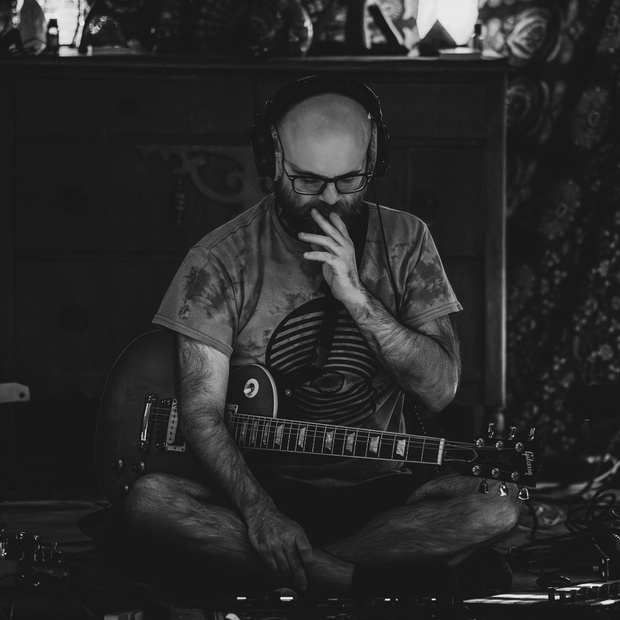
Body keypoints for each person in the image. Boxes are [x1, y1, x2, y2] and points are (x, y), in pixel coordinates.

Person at [123, 74, 522, 599]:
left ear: (373, 160)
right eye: (308, 181)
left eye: (349, 180)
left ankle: (298, 575)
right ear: (272, 160)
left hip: (380, 486)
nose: (330, 198)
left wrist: (358, 298)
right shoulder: (217, 260)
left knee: (498, 505)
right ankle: (358, 581)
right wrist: (260, 512)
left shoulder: (407, 239)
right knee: (150, 501)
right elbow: (201, 414)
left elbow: (439, 389)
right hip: (259, 486)